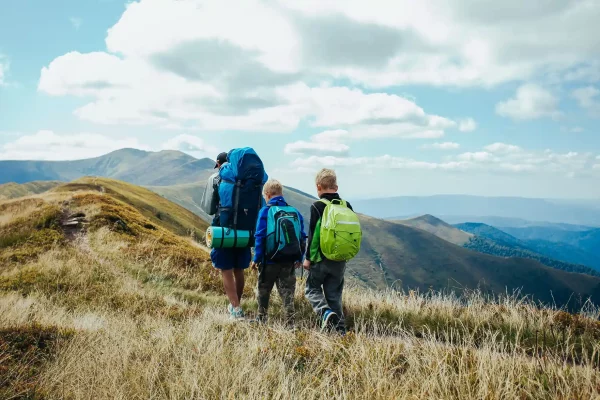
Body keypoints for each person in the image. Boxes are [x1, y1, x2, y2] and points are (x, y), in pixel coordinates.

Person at [303, 168, 354, 333]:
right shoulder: (347, 206)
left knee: (311, 290)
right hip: (340, 259)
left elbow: (313, 235)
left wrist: (308, 258)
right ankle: (340, 331)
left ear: (318, 187)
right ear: (336, 187)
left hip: (321, 259)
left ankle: (324, 312)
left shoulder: (317, 206)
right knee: (334, 296)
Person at [251, 179, 306, 327]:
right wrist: (299, 257)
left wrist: (256, 258)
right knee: (287, 292)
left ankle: (262, 319)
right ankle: (290, 322)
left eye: (264, 197)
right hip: (289, 260)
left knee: (263, 289)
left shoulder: (266, 211)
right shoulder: (294, 211)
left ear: (268, 195)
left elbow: (260, 236)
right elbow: (301, 236)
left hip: (269, 260)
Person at [210, 151, 251, 320]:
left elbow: (211, 208)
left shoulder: (219, 178)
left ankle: (236, 308)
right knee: (238, 268)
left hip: (224, 228)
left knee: (226, 269)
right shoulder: (247, 179)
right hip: (245, 229)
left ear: (220, 163)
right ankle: (236, 304)